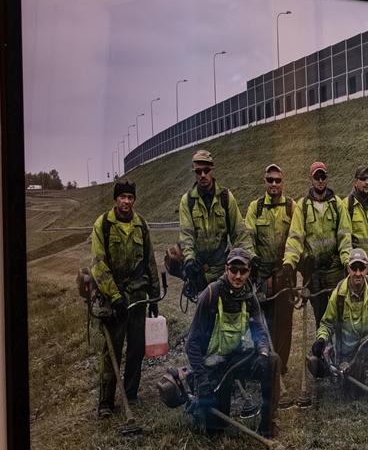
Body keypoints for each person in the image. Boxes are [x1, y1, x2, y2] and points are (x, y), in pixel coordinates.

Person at [185, 248, 278, 438]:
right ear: (226, 269)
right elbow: (192, 343)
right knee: (215, 432)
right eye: (233, 270)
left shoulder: (249, 297)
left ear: (249, 271)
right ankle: (200, 402)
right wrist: (202, 379)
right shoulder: (211, 294)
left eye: (243, 271)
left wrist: (263, 352)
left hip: (236, 360)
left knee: (272, 361)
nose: (238, 276)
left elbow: (260, 331)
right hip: (213, 364)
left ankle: (266, 425)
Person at [90, 180, 160, 418]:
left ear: (134, 200)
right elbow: (98, 265)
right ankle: (106, 402)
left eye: (130, 197)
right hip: (114, 301)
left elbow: (150, 260)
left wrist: (154, 295)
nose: (126, 201)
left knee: (136, 348)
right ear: (115, 199)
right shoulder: (103, 225)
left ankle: (131, 394)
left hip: (138, 297)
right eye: (122, 197)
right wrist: (114, 296)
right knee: (112, 350)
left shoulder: (141, 225)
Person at [244, 163, 295, 402]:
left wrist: (290, 263)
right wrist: (253, 260)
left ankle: (280, 367)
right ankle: (265, 364)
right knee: (263, 322)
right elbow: (247, 238)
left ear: (282, 183)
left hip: (284, 274)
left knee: (284, 322)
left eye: (277, 180)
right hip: (262, 275)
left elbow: (296, 237)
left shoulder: (291, 207)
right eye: (270, 180)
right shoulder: (255, 208)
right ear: (264, 182)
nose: (274, 184)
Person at [312, 248, 368, 396]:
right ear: (348, 269)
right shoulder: (339, 294)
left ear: (367, 269)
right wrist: (321, 340)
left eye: (361, 268)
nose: (358, 273)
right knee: (353, 394)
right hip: (348, 350)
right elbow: (327, 323)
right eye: (354, 268)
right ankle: (337, 370)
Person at [282, 161, 350, 325]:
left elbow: (345, 236)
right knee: (321, 317)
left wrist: (347, 262)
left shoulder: (337, 204)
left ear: (327, 178)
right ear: (311, 179)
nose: (320, 180)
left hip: (335, 270)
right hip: (314, 272)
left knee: (340, 316)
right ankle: (323, 341)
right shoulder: (302, 207)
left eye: (323, 176)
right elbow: (295, 237)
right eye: (316, 177)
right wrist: (289, 262)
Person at [177, 149, 248, 293]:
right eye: (198, 171)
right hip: (200, 270)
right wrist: (189, 260)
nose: (203, 175)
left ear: (212, 170)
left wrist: (246, 258)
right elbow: (186, 235)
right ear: (194, 173)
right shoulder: (187, 201)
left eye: (206, 170)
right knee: (203, 305)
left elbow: (239, 233)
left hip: (223, 269)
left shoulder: (226, 197)